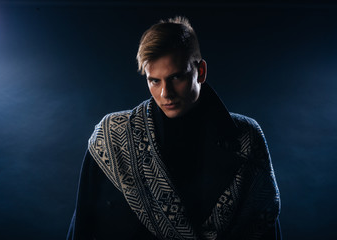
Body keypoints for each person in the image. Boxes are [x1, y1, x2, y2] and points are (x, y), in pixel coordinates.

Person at [67, 16, 281, 240]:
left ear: (201, 72)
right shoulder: (112, 136)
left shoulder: (246, 136)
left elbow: (265, 226)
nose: (165, 93)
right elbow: (83, 223)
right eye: (154, 81)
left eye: (176, 77)